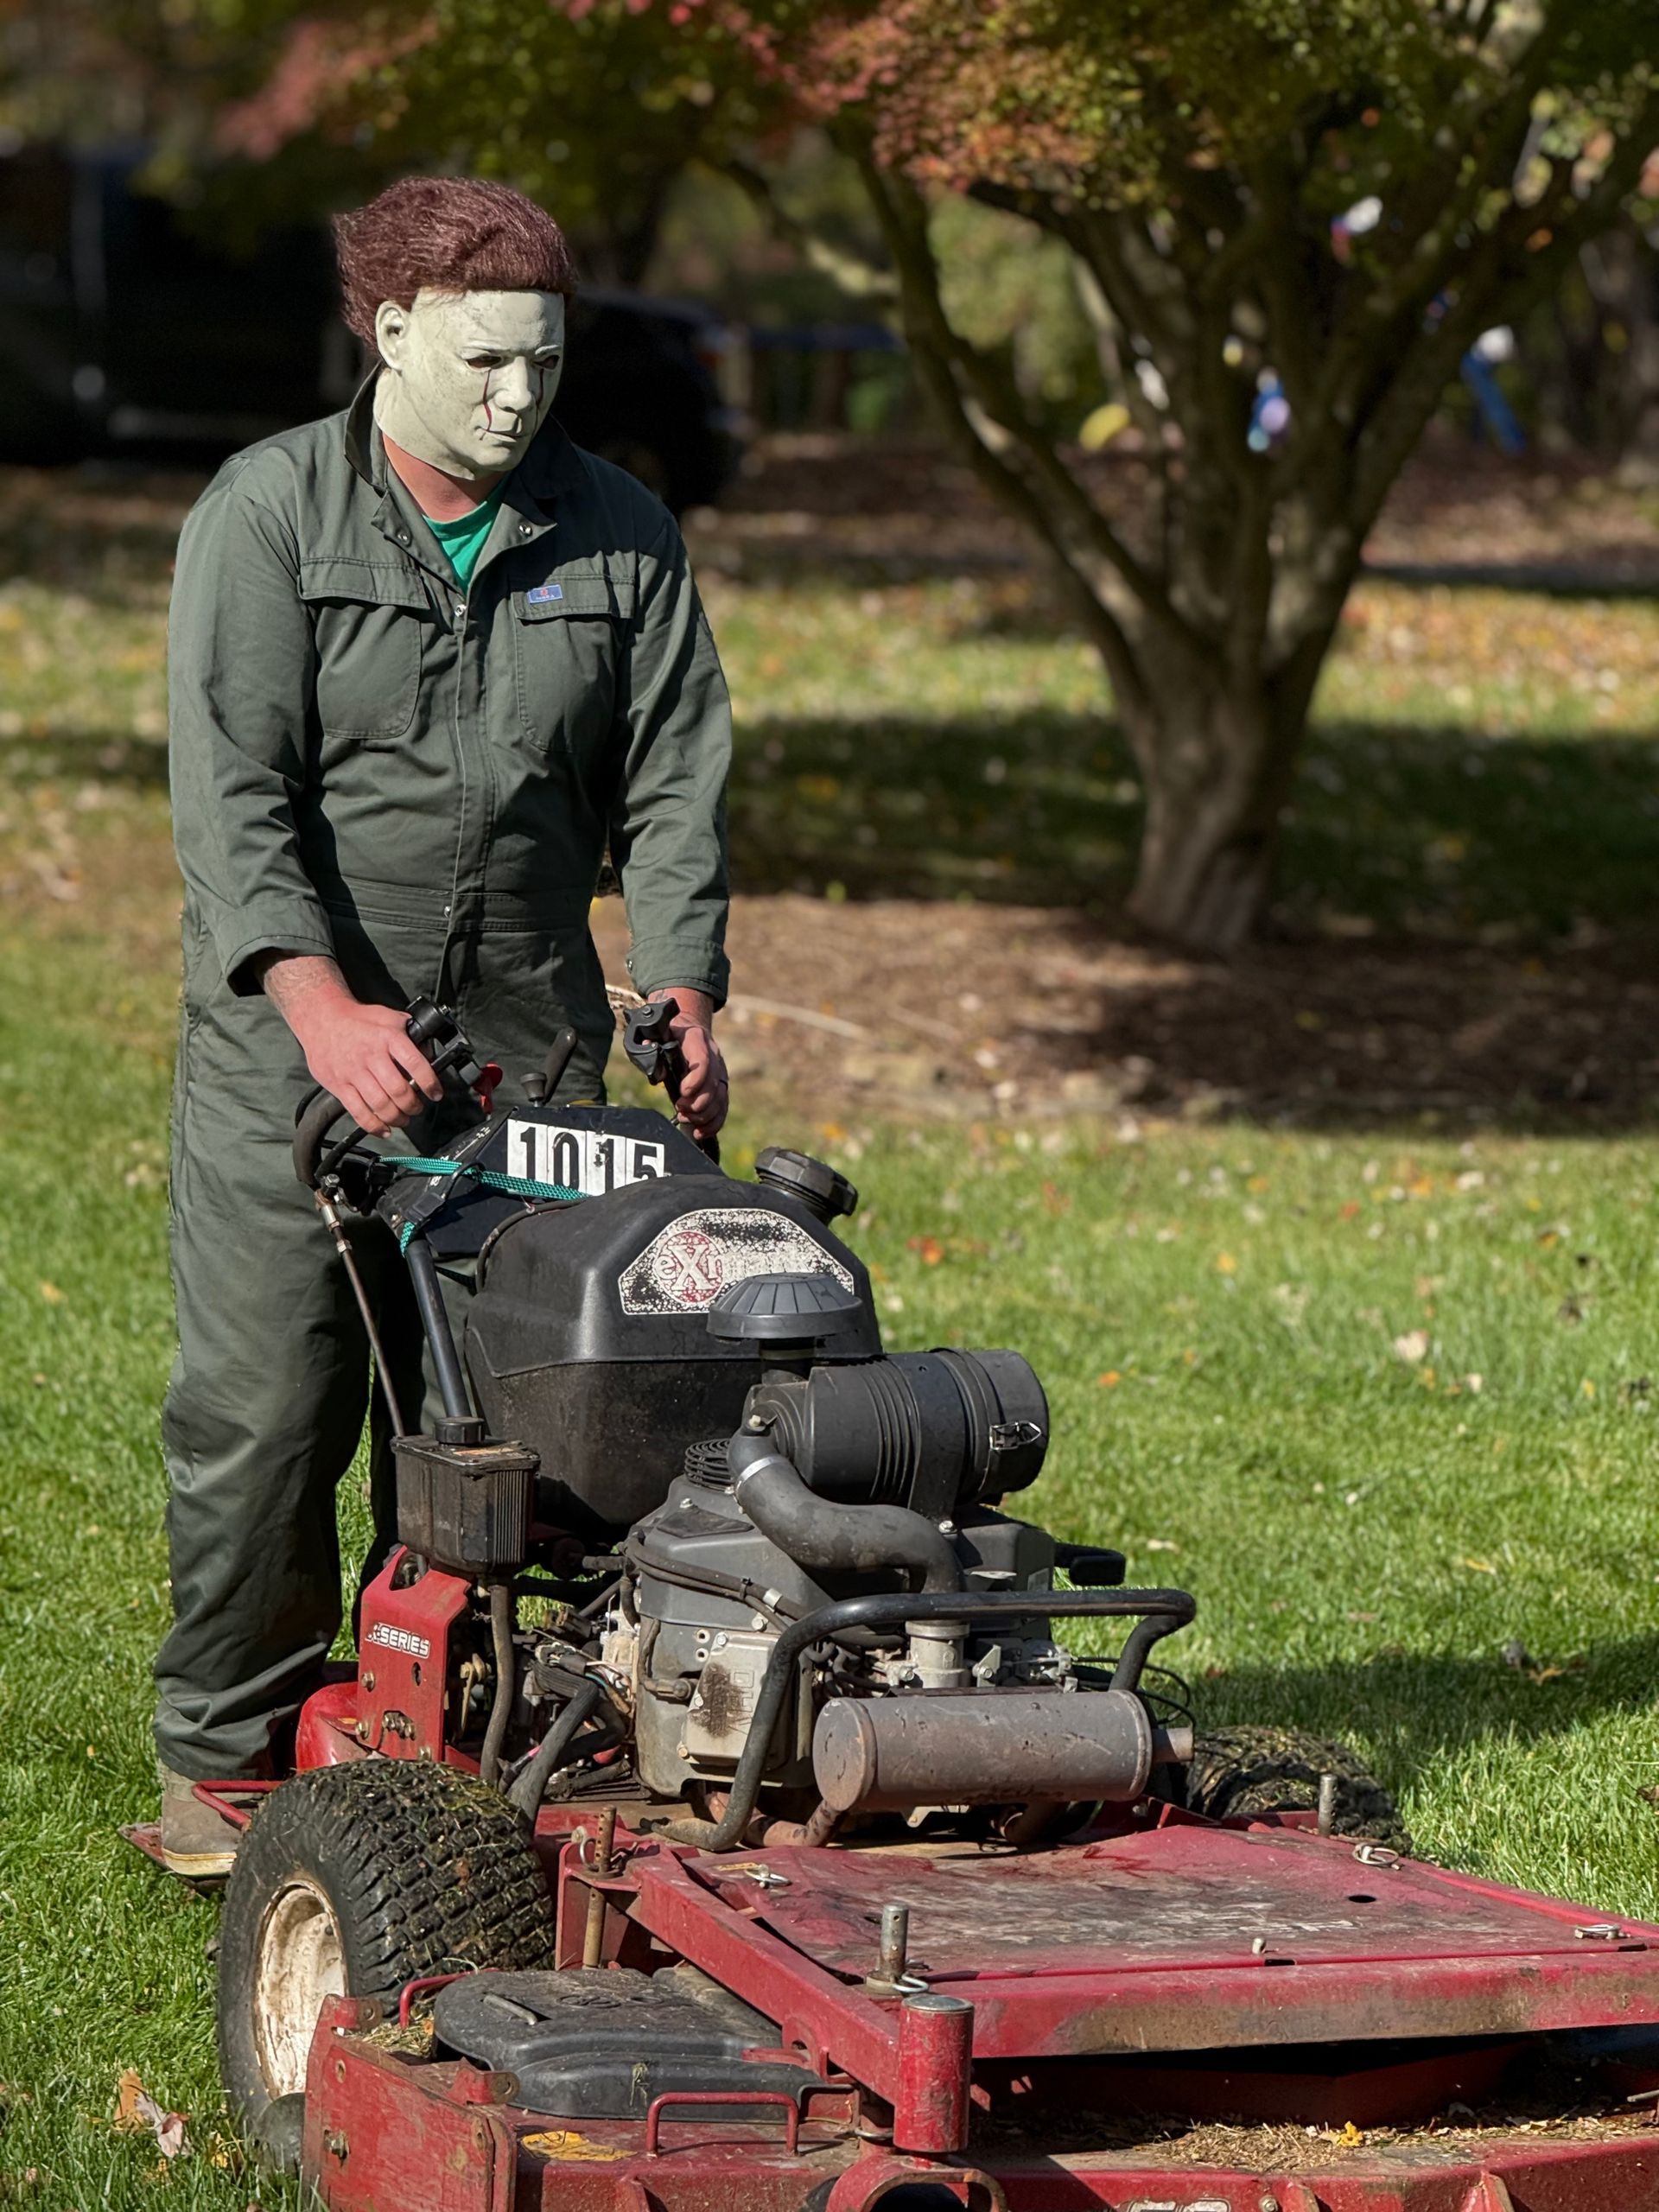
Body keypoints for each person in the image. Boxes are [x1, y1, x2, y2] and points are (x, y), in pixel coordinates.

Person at [155, 175, 731, 1874]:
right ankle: (230, 1757)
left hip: (530, 1057)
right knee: (271, 1412)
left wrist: (682, 970)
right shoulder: (267, 518)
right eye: (482, 361)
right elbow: (233, 798)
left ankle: (499, 1731)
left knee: (541, 1415)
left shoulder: (618, 531)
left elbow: (679, 776)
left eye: (542, 364)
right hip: (299, 1054)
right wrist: (319, 1001)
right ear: (388, 327)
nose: (516, 396)